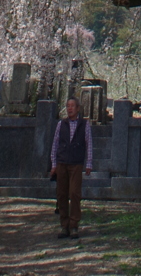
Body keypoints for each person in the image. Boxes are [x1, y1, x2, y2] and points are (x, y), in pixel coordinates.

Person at [49, 95, 92, 238]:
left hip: (76, 163)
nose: (70, 109)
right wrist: (54, 164)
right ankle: (64, 225)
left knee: (74, 193)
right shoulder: (61, 124)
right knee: (61, 194)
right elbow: (55, 143)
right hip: (62, 162)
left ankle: (74, 225)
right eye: (68, 106)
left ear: (78, 108)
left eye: (72, 106)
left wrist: (89, 163)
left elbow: (89, 144)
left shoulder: (84, 125)